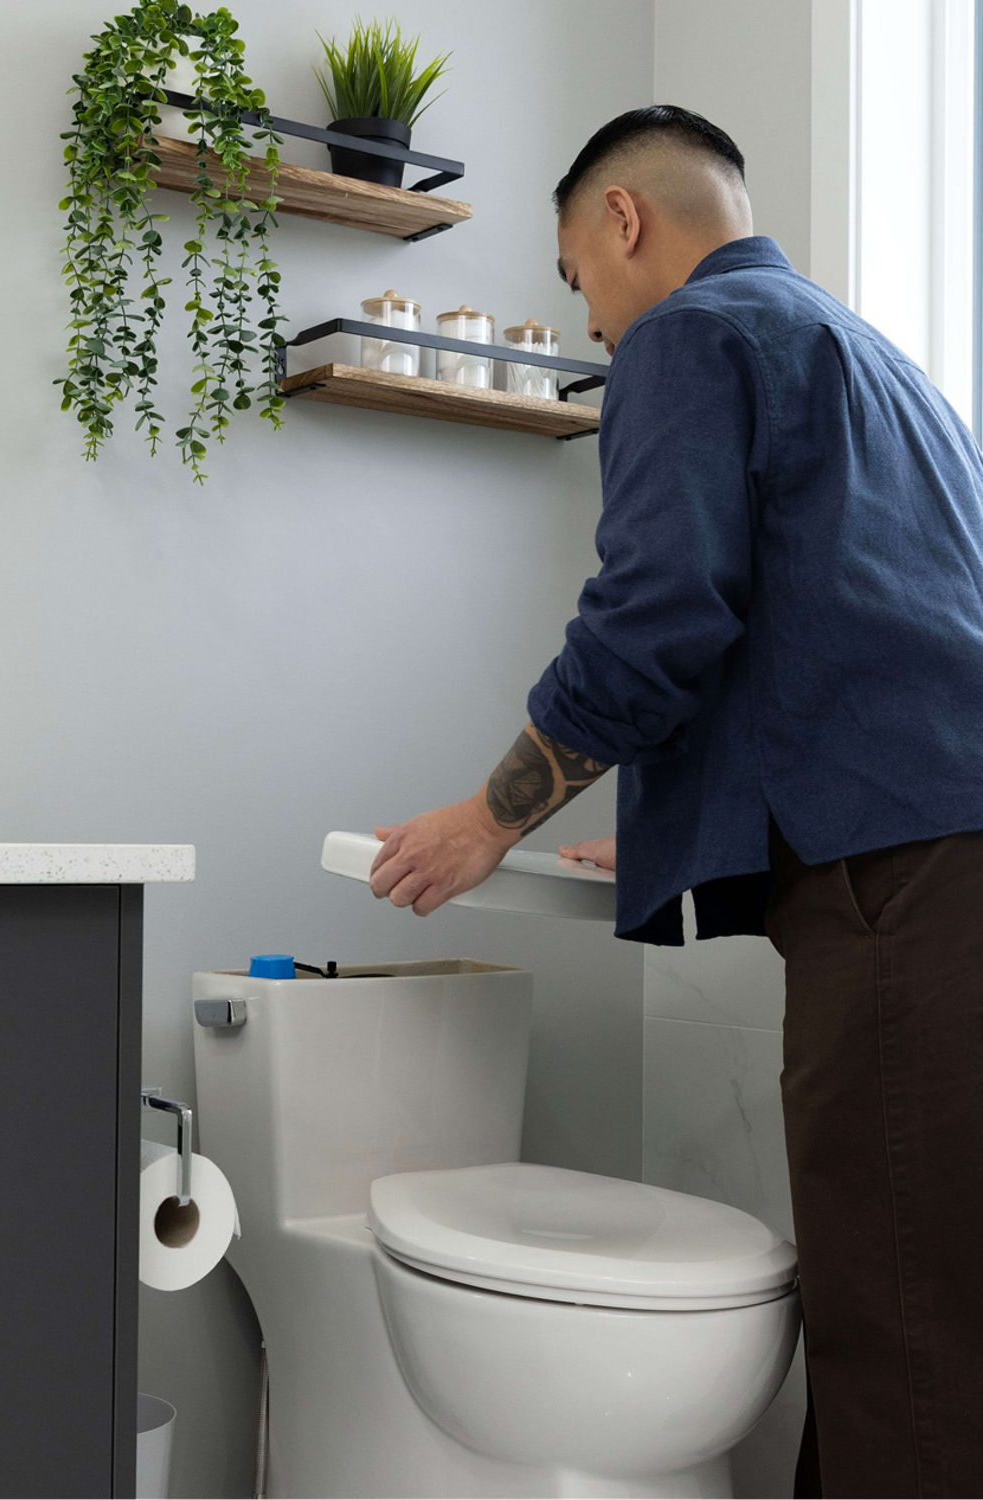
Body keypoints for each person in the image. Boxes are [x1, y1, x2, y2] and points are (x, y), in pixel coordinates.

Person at [368, 104, 983, 1499]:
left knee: (895, 1315)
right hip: (947, 863)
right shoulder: (876, 360)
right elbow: (856, 631)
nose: (589, 324)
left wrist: (488, 816)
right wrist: (684, 815)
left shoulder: (687, 338)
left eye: (576, 283)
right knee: (930, 1296)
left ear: (620, 221)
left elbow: (656, 613)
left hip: (904, 889)